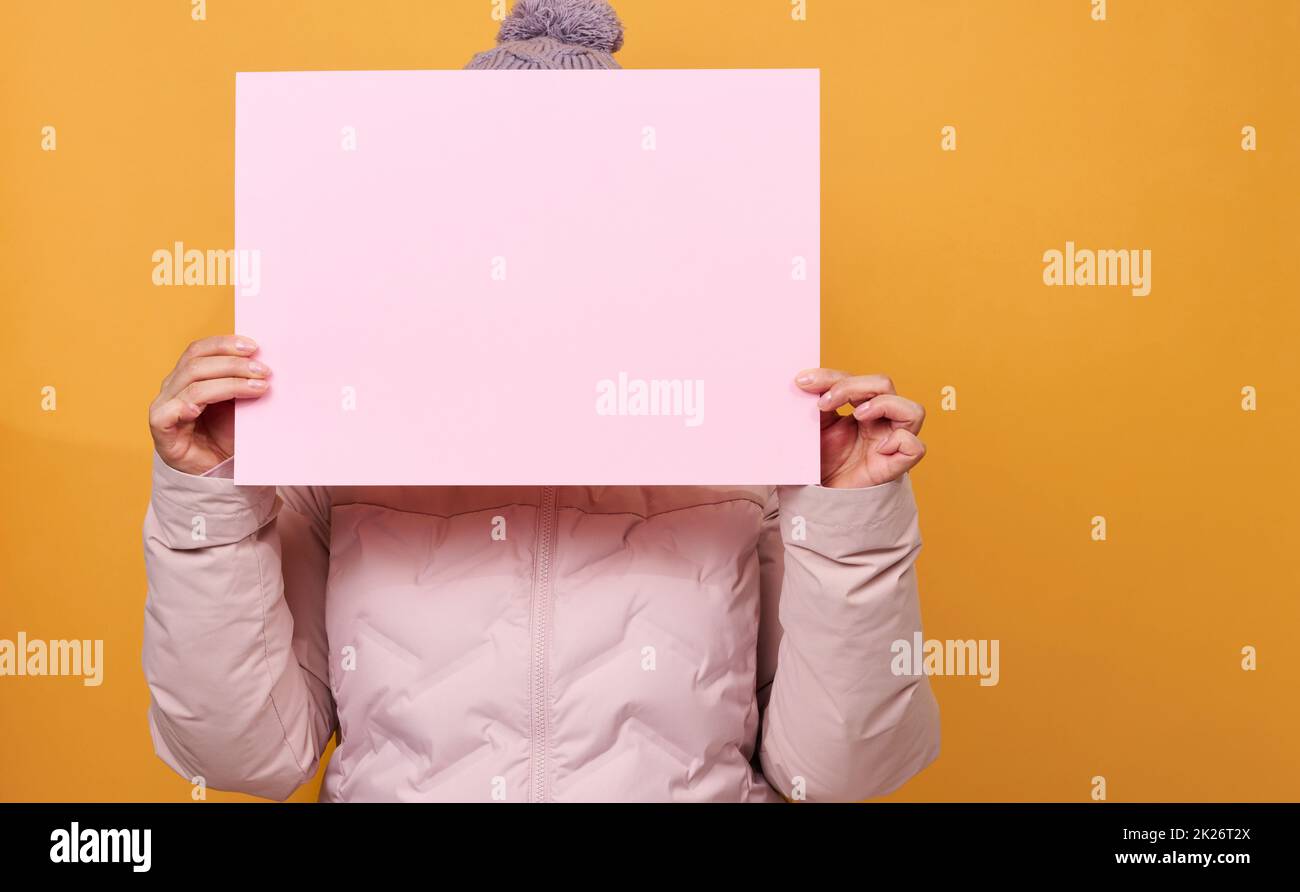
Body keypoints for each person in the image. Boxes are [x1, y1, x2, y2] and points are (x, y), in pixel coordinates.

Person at [141, 0, 940, 803]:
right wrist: (208, 502)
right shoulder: (335, 444)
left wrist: (849, 523)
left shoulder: (747, 439)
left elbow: (836, 775)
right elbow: (246, 758)